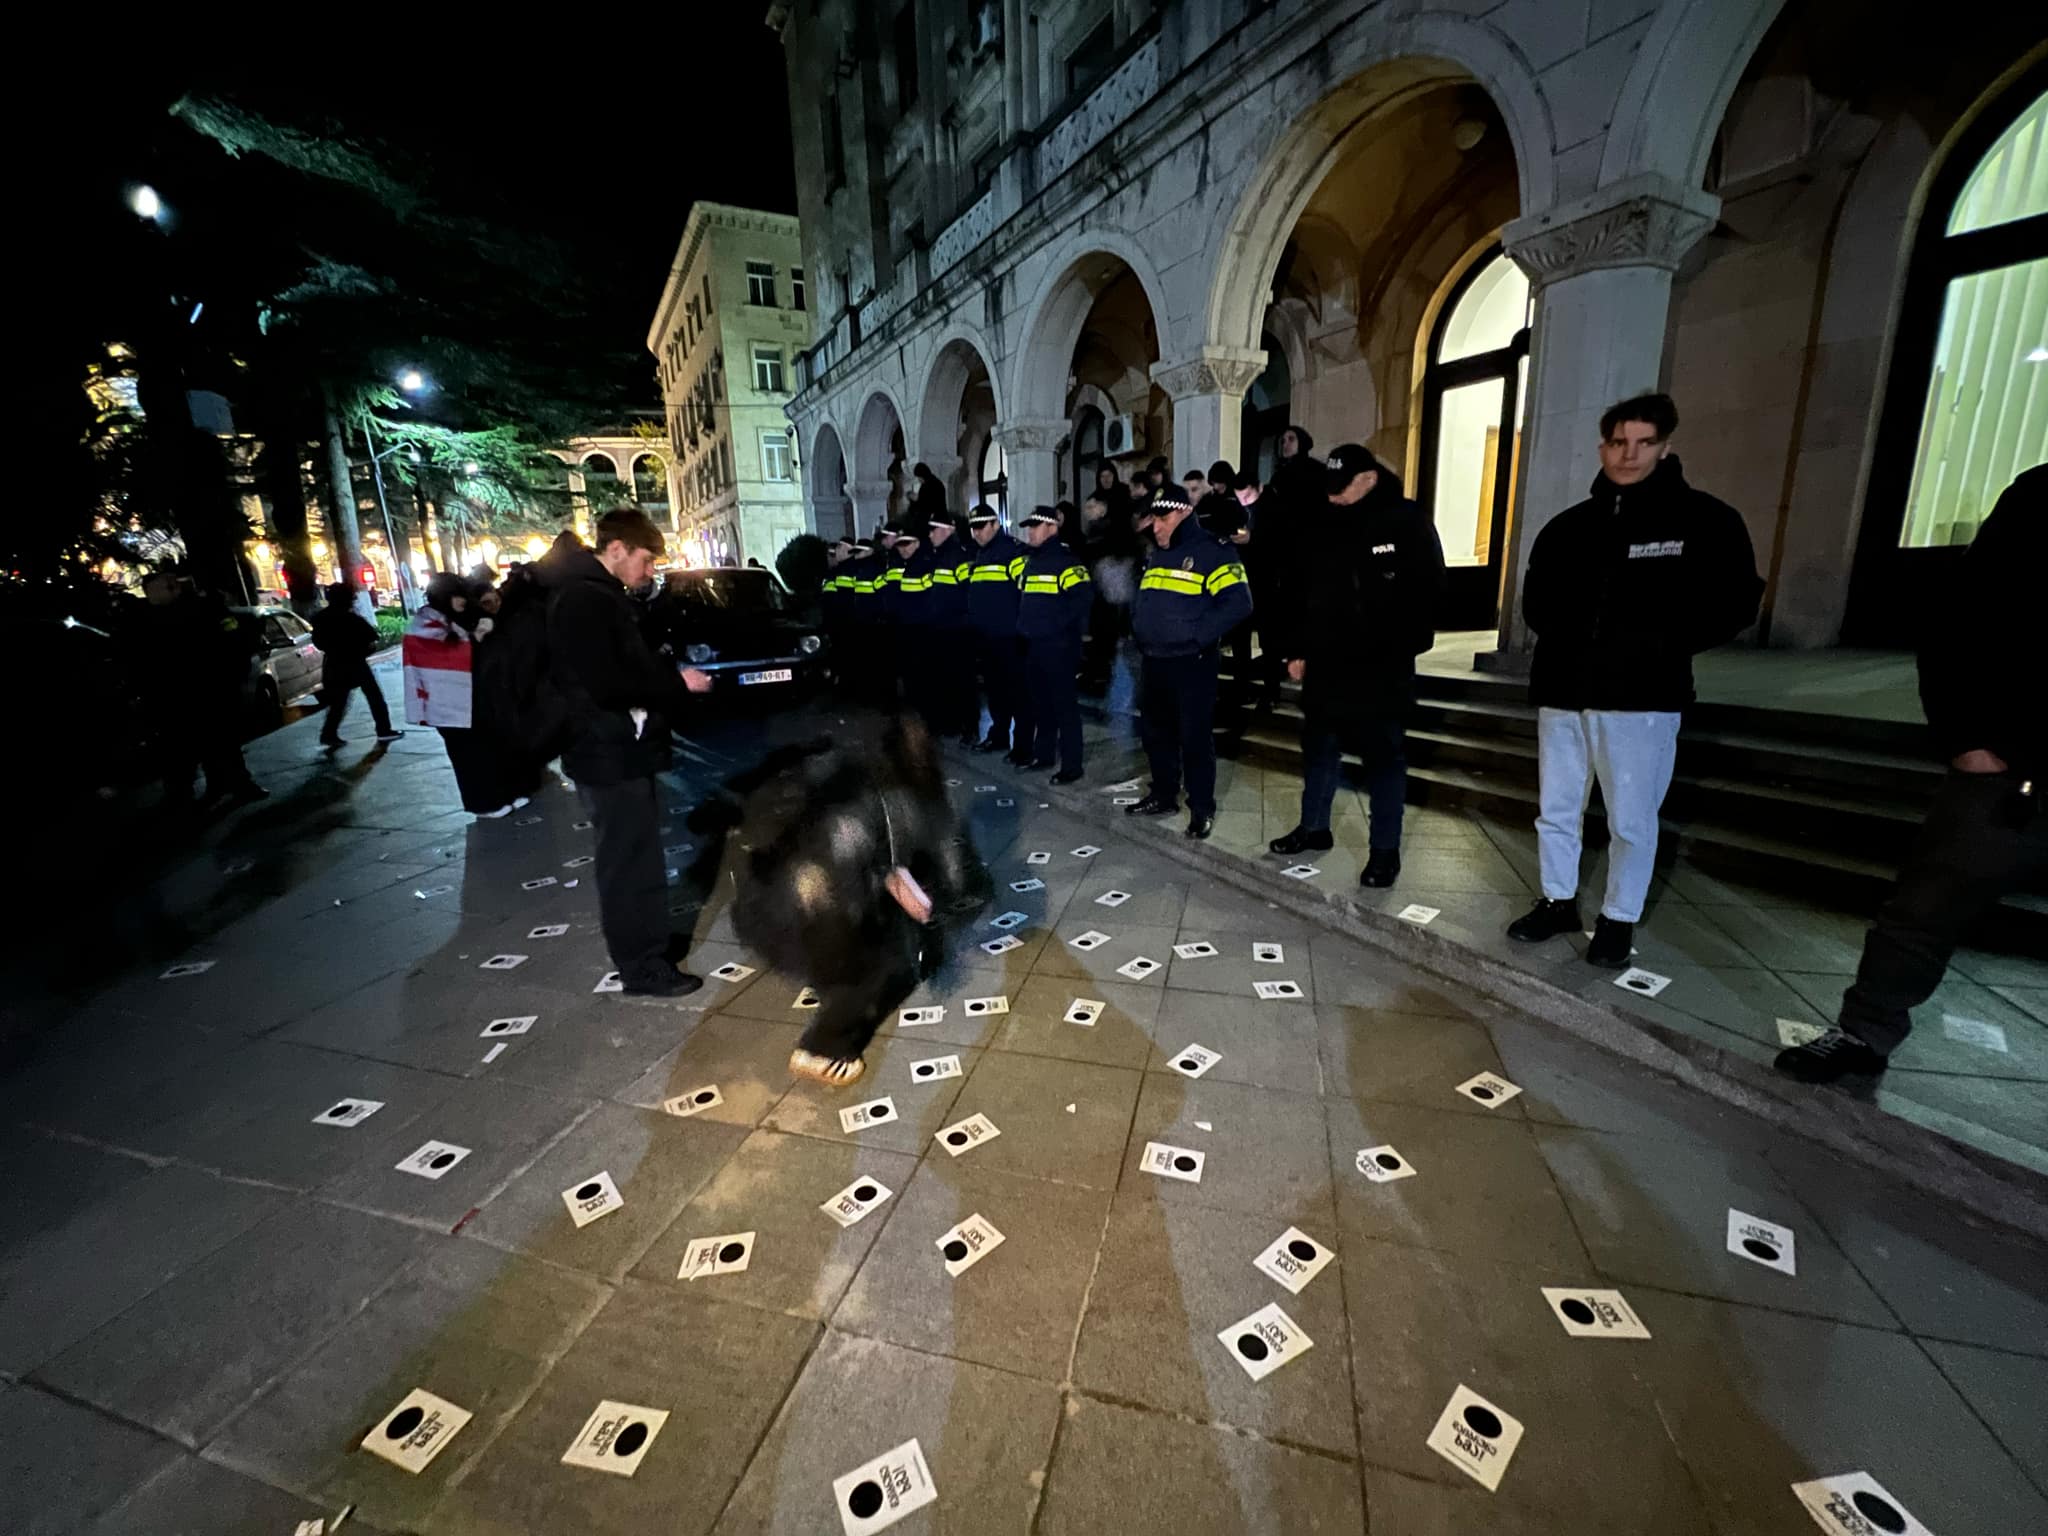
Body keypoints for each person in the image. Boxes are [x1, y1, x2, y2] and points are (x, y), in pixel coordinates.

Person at [1777, 465, 2046, 1083]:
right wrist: (1966, 737)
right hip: (2011, 768)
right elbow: (1962, 617)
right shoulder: (2038, 497)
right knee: (1923, 911)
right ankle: (1863, 1032)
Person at [1506, 393, 1763, 966]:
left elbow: (1737, 600)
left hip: (1642, 697)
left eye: (1643, 442)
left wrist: (1660, 646)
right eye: (1619, 442)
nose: (1629, 454)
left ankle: (1618, 919)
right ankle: (1557, 900)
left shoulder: (1704, 520)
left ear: (1664, 446)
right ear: (1603, 447)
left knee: (1631, 819)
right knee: (1557, 808)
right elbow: (1538, 600)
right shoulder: (1571, 526)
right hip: (1565, 693)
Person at [733, 715, 990, 1086]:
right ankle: (820, 1050)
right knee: (871, 972)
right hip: (818, 909)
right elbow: (952, 876)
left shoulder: (830, 768)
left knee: (846, 954)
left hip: (767, 898)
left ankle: (828, 988)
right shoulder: (911, 800)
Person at [543, 508, 713, 998]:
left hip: (617, 748)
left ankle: (650, 947)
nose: (650, 570)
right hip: (607, 751)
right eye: (645, 559)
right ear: (616, 549)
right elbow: (607, 681)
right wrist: (675, 682)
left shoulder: (598, 594)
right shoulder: (583, 599)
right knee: (628, 861)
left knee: (636, 854)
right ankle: (642, 965)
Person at [1269, 446, 1443, 885]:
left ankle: (1384, 852)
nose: (1334, 497)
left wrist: (1399, 649)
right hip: (1326, 665)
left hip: (1379, 670)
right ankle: (1314, 828)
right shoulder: (1322, 521)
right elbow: (1297, 588)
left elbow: (1430, 594)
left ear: (1368, 477)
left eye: (1342, 487)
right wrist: (1295, 649)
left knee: (1384, 761)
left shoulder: (1406, 521)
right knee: (1319, 750)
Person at [1126, 484, 1253, 839]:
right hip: (1156, 660)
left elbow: (1239, 603)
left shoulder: (1213, 552)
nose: (1157, 526)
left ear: (1184, 513)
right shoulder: (1157, 554)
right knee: (1156, 733)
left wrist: (1197, 635)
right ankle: (1164, 795)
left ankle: (1201, 808)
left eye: (1164, 518)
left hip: (1192, 662)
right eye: (1154, 519)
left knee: (1194, 737)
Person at [133, 569, 266, 807]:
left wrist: (234, 673)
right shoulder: (144, 620)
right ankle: (183, 795)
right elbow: (140, 662)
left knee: (222, 744)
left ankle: (232, 785)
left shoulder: (203, 608)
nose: (173, 587)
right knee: (181, 752)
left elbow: (233, 639)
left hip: (209, 692)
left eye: (173, 583)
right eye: (166, 585)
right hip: (173, 699)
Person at [405, 573, 517, 819]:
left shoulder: (448, 617)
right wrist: (476, 636)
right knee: (467, 755)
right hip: (446, 705)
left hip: (468, 699)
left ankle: (499, 795)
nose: (463, 601)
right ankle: (483, 803)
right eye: (458, 596)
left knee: (486, 748)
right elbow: (445, 655)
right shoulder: (425, 622)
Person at [1015, 504, 1092, 784]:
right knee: (1041, 704)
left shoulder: (1067, 562)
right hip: (1034, 645)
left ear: (1051, 528)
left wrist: (1054, 625)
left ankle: (1072, 765)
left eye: (1035, 527)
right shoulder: (1032, 561)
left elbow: (1083, 599)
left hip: (1059, 647)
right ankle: (1043, 754)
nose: (1030, 532)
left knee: (1064, 707)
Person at [472, 560, 560, 804]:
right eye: (487, 603)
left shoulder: (517, 617)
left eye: (496, 601)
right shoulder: (483, 627)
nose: (494, 606)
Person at [963, 505, 1032, 760]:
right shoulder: (981, 554)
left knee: (1018, 693)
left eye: (981, 527)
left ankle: (1023, 745)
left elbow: (1026, 588)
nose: (976, 533)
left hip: (1010, 638)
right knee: (996, 692)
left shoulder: (1011, 552)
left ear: (995, 524)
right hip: (986, 637)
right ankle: (999, 734)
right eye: (973, 528)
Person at [310, 582, 401, 748]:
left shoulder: (321, 619)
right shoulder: (352, 619)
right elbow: (372, 640)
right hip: (355, 663)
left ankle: (328, 734)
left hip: (333, 664)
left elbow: (318, 642)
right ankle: (384, 730)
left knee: (339, 702)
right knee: (374, 697)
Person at [1078, 490, 1138, 691]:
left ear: (1103, 508)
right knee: (1102, 637)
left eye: (1091, 507)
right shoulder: (1095, 531)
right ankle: (1099, 674)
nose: (1087, 512)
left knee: (1105, 636)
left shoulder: (1108, 531)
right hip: (1102, 594)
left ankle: (1100, 676)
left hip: (1106, 595)